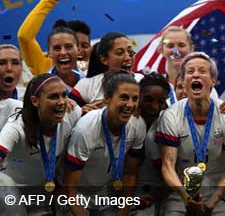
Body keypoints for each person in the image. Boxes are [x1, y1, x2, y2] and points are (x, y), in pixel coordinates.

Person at [156, 52, 225, 215]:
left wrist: (210, 204)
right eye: (190, 71)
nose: (196, 74)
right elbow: (167, 167)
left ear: (213, 81)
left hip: (220, 195)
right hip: (180, 196)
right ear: (182, 81)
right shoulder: (171, 115)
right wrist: (187, 199)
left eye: (202, 71)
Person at [64, 70, 146, 215]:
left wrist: (123, 211)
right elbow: (69, 189)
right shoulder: (86, 128)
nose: (130, 105)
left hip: (107, 194)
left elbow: (130, 174)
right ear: (107, 98)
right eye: (124, 97)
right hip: (77, 196)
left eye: (135, 99)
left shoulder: (138, 125)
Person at [0, 73, 81, 215]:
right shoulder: (17, 126)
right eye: (53, 96)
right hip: (14, 197)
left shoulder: (73, 113)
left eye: (64, 95)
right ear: (35, 101)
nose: (62, 102)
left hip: (47, 196)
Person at [17, 0, 92, 76]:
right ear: (49, 53)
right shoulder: (45, 68)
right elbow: (24, 36)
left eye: (85, 46)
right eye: (71, 45)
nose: (80, 51)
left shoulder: (98, 74)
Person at [69, 32, 143, 113]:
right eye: (119, 53)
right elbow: (68, 113)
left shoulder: (143, 81)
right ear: (104, 60)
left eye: (131, 52)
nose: (128, 57)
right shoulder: (87, 85)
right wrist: (81, 112)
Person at [130, 72, 170, 216]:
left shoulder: (168, 127)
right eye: (148, 99)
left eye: (160, 101)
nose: (154, 106)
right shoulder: (127, 121)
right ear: (138, 97)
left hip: (155, 196)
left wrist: (155, 197)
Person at [158, 26, 219, 105]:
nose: (176, 51)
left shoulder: (204, 87)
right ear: (161, 50)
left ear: (192, 49)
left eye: (181, 45)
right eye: (170, 46)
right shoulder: (157, 86)